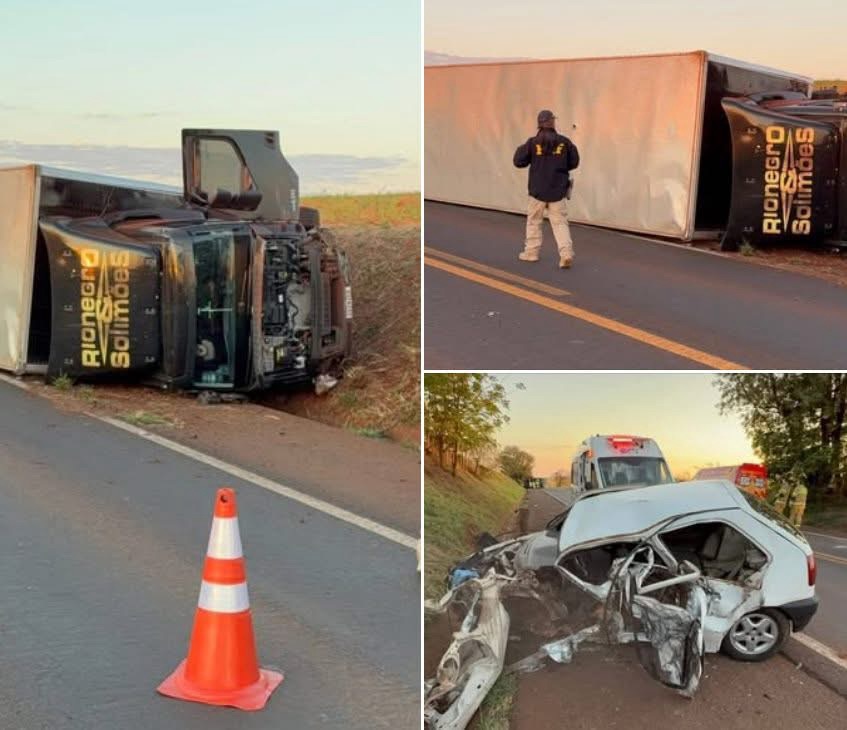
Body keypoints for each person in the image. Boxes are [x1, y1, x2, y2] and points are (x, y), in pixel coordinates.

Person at [513, 109, 580, 268]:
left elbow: (518, 161)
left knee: (534, 221)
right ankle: (566, 254)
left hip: (537, 190)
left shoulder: (533, 143)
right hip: (558, 190)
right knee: (560, 223)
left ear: (539, 125)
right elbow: (574, 162)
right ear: (553, 122)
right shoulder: (565, 142)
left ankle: (531, 252)